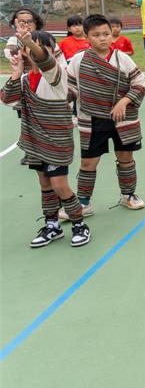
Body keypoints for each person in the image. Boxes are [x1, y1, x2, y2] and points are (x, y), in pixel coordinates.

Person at [2, 29, 90, 248]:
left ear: (51, 51)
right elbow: (8, 99)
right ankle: (52, 225)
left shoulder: (56, 73)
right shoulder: (24, 79)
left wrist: (31, 43)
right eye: (29, 46)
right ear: (22, 51)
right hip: (34, 139)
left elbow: (44, 60)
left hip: (56, 139)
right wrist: (16, 70)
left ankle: (79, 224)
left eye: (44, 47)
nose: (37, 50)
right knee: (44, 184)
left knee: (60, 185)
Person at [65, 14, 145, 216]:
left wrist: (124, 101)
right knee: (88, 162)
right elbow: (70, 89)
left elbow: (139, 83)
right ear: (86, 37)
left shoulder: (123, 59)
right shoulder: (78, 60)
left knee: (126, 157)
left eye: (106, 34)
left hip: (123, 118)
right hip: (92, 120)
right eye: (96, 35)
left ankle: (128, 195)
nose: (102, 38)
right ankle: (83, 202)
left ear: (112, 35)